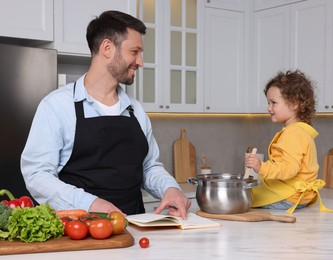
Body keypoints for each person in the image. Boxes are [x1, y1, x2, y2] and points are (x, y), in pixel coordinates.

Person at [20, 10, 190, 219]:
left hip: (133, 231)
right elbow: (37, 175)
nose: (140, 62)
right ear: (107, 48)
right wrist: (89, 203)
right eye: (135, 51)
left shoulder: (135, 110)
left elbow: (149, 166)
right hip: (79, 229)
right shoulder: (57, 106)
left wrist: (170, 189)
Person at [245, 69, 330, 214]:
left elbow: (289, 169)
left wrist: (261, 167)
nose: (268, 108)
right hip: (301, 196)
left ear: (294, 104)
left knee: (244, 198)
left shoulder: (293, 134)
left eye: (273, 103)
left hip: (288, 196)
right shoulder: (302, 131)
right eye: (268, 102)